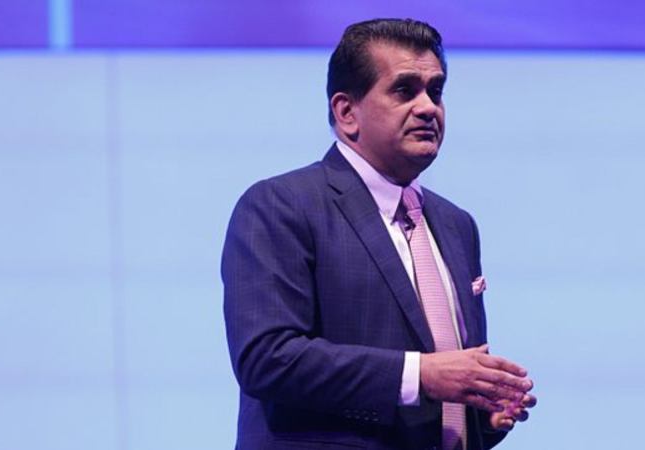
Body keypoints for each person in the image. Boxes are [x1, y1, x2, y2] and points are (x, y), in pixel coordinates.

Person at [222, 18, 536, 450]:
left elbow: (444, 386)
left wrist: (484, 414)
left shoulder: (456, 225)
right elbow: (267, 358)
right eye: (405, 90)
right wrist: (421, 375)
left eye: (436, 91)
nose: (428, 108)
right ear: (346, 113)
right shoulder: (281, 205)